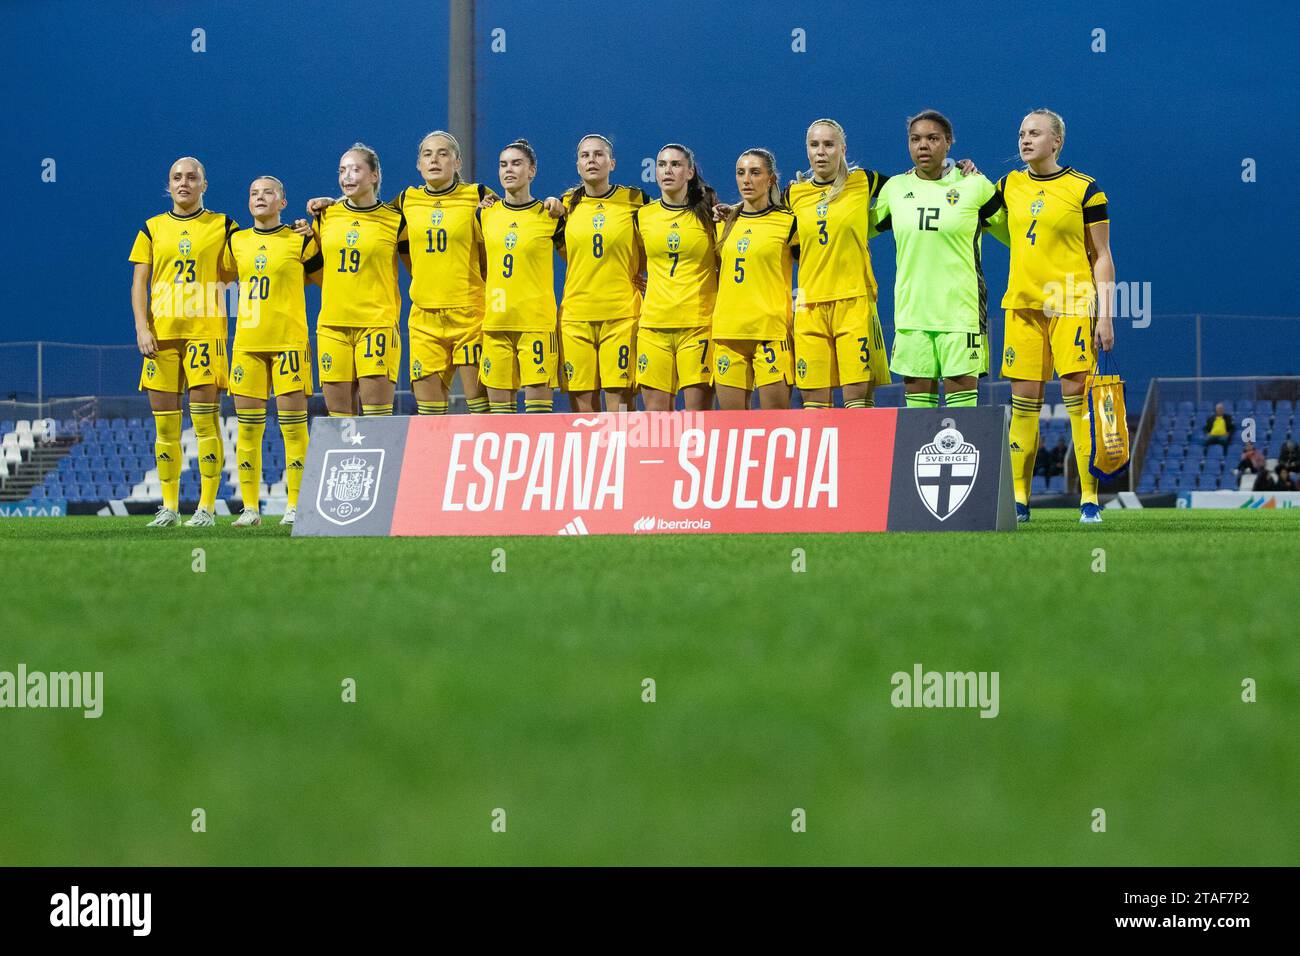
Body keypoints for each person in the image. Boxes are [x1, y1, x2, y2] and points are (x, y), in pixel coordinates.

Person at [981, 109, 1115, 524]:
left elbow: (1103, 256)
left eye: (1034, 133)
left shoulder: (1085, 189)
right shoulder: (1008, 185)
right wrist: (963, 174)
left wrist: (1106, 315)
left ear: (1056, 142)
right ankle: (1020, 500)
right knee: (1023, 406)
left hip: (1070, 303)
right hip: (1022, 305)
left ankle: (1089, 499)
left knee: (1077, 402)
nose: (1024, 140)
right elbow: (976, 215)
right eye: (1021, 133)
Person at [306, 132, 493, 415]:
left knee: (482, 410)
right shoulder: (406, 202)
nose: (434, 159)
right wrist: (332, 201)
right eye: (427, 154)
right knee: (429, 415)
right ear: (418, 164)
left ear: (457, 162)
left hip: (469, 315)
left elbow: (507, 227)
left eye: (442, 153)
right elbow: (364, 212)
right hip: (423, 319)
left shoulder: (478, 195)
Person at [129, 156, 238, 527]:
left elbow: (257, 255)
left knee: (206, 423)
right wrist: (143, 329)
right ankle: (170, 507)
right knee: (165, 428)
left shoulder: (224, 226)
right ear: (169, 184)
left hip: (205, 334)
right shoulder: (151, 228)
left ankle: (206, 508)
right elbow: (139, 284)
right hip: (161, 338)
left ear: (204, 185)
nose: (184, 183)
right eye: (177, 177)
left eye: (192, 177)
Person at [871, 111, 1000, 409]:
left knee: (963, 420)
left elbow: (1014, 232)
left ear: (949, 143)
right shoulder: (895, 190)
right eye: (915, 139)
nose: (923, 146)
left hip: (960, 315)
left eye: (932, 138)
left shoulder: (975, 186)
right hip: (911, 318)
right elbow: (855, 229)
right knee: (918, 422)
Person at [222, 177, 323, 527]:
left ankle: (295, 506)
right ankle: (250, 509)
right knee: (248, 430)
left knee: (293, 429)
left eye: (268, 192)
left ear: (282, 202)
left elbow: (325, 279)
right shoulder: (236, 242)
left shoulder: (298, 241)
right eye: (253, 193)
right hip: (247, 345)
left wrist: (316, 236)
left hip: (289, 344)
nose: (259, 197)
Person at [783, 119, 892, 409]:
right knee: (815, 407)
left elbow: (914, 188)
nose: (821, 152)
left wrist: (953, 172)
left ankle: (863, 456)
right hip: (809, 306)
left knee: (857, 404)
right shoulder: (793, 195)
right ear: (806, 150)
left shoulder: (864, 181)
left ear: (842, 148)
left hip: (853, 301)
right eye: (814, 145)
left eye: (829, 144)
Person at [307, 144, 408, 418]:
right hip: (332, 326)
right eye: (342, 170)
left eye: (355, 169)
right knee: (340, 421)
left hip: (376, 325)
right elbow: (316, 272)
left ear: (374, 175)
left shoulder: (396, 220)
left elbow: (417, 267)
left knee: (377, 420)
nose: (347, 176)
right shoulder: (326, 217)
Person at [557, 134, 649, 413]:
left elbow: (655, 241)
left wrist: (643, 273)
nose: (592, 160)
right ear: (577, 166)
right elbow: (564, 251)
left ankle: (625, 457)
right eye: (585, 156)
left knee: (620, 410)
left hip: (621, 315)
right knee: (584, 415)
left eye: (598, 155)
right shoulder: (566, 204)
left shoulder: (636, 200)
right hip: (576, 317)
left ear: (612, 163)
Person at [477, 139, 564, 413]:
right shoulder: (485, 214)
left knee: (538, 418)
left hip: (536, 324)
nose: (508, 170)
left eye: (516, 163)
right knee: (499, 420)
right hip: (496, 325)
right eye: (503, 164)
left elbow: (576, 257)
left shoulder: (549, 215)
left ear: (532, 171)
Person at [634, 144, 719, 412]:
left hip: (697, 325)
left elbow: (725, 263)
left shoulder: (709, 215)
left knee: (698, 420)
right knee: (657, 423)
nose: (667, 170)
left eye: (675, 164)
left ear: (690, 172)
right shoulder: (643, 216)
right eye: (661, 165)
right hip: (653, 327)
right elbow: (633, 259)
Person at [711, 148, 797, 411]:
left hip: (769, 333)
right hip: (728, 334)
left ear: (771, 179)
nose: (746, 179)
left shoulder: (788, 222)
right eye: (741, 173)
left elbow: (817, 262)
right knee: (732, 430)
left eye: (755, 172)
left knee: (775, 426)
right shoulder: (723, 223)